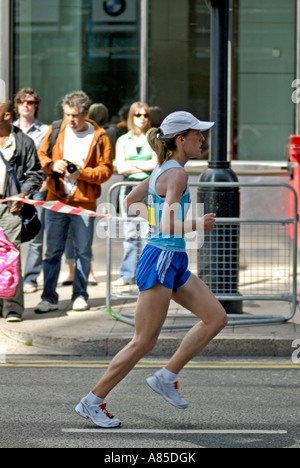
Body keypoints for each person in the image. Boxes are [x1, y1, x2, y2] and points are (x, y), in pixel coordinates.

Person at [75, 111, 228, 428]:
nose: (202, 138)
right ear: (180, 139)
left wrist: (157, 221)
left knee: (216, 317)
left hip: (171, 258)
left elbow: (130, 200)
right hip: (160, 258)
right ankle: (93, 401)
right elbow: (170, 223)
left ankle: (167, 375)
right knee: (143, 341)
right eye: (197, 133)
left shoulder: (163, 169)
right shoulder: (176, 174)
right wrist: (198, 223)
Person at [35, 91, 113, 313]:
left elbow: (106, 170)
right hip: (56, 199)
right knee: (52, 252)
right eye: (67, 114)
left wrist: (82, 174)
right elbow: (42, 155)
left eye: (75, 115)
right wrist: (52, 165)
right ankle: (48, 297)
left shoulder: (99, 136)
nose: (70, 119)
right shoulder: (57, 128)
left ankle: (80, 294)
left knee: (83, 251)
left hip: (84, 203)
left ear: (86, 113)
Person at [0, 99, 43, 322]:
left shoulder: (23, 142)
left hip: (11, 208)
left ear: (6, 116)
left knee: (10, 256)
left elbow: (36, 174)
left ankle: (13, 308)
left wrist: (22, 194)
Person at [113, 101, 157, 286]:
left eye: (145, 115)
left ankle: (147, 274)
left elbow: (156, 164)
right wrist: (143, 164)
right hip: (128, 189)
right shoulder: (123, 140)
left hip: (150, 189)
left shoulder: (154, 138)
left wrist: (134, 164)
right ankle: (127, 274)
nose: (142, 118)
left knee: (150, 233)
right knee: (130, 233)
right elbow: (121, 168)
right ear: (131, 117)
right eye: (138, 115)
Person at [13, 87, 49, 294]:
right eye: (22, 102)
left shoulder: (44, 131)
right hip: (13, 189)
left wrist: (43, 182)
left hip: (37, 189)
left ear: (36, 106)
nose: (26, 106)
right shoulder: (9, 129)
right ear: (16, 106)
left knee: (35, 236)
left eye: (30, 102)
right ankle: (11, 276)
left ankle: (31, 278)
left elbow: (46, 158)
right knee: (10, 236)